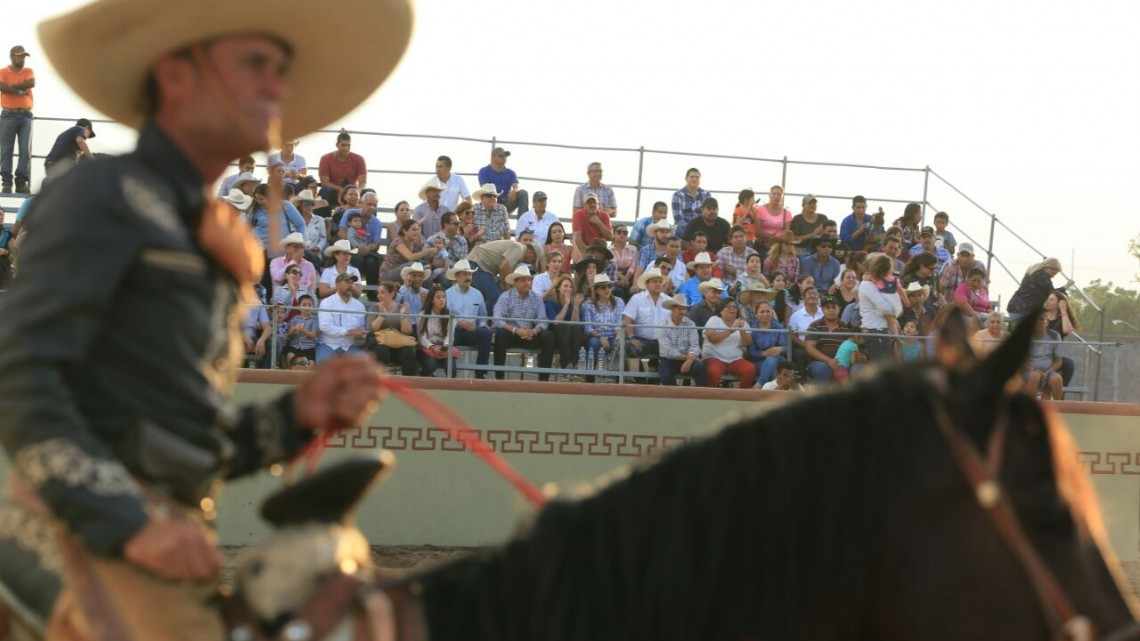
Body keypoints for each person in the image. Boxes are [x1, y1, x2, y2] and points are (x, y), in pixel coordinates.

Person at [0, 4, 409, 630]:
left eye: (281, 69)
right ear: (177, 75)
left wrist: (294, 417)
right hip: (62, 531)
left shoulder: (204, 231)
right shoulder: (101, 193)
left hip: (163, 535)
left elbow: (193, 444)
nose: (278, 85)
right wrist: (131, 524)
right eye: (255, 64)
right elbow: (21, 376)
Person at [492, 266, 555, 380]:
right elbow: (496, 319)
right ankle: (499, 377)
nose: (526, 283)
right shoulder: (505, 297)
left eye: (528, 280)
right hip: (513, 335)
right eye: (522, 280)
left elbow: (543, 320)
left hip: (531, 335)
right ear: (515, 282)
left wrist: (534, 331)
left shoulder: (536, 298)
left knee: (549, 336)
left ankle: (544, 380)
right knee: (501, 334)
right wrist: (516, 330)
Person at [444, 259, 493, 378]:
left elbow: (483, 315)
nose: (468, 277)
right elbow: (444, 317)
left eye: (470, 274)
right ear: (456, 276)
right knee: (448, 336)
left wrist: (482, 324)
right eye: (465, 274)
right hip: (455, 330)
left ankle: (480, 373)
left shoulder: (478, 294)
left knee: (486, 333)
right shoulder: (447, 294)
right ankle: (451, 372)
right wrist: (459, 323)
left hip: (472, 330)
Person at [0, 45, 34, 194]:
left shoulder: (28, 71)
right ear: (12, 56)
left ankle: (21, 182)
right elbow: (1, 86)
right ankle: (6, 183)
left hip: (26, 116)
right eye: (20, 56)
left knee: (25, 151)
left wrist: (11, 87)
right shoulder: (3, 72)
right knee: (6, 150)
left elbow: (30, 83)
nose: (22, 59)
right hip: (8, 115)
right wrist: (20, 90)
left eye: (24, 56)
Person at [701, 298, 757, 388]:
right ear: (721, 310)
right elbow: (712, 338)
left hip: (735, 360)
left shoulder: (742, 323)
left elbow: (747, 343)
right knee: (713, 371)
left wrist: (742, 330)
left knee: (750, 369)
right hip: (714, 358)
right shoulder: (714, 320)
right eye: (728, 307)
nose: (732, 309)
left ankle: (741, 396)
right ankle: (711, 397)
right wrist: (731, 330)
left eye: (734, 307)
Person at [858, 253, 904, 363]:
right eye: (889, 270)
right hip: (875, 332)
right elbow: (886, 307)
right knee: (880, 368)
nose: (891, 273)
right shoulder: (867, 285)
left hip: (882, 332)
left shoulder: (878, 285)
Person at [623, 267, 670, 370]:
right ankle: (641, 378)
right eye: (654, 281)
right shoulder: (637, 298)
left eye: (660, 281)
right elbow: (627, 319)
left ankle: (656, 378)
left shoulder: (669, 301)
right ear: (647, 284)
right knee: (633, 350)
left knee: (672, 354)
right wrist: (631, 338)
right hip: (642, 340)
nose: (658, 284)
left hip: (663, 340)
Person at [368, 280, 418, 376]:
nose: (379, 295)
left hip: (398, 344)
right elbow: (371, 329)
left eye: (382, 292)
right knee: (381, 351)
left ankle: (409, 384)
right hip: (378, 343)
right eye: (378, 293)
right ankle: (379, 381)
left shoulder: (400, 308)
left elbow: (407, 331)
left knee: (408, 352)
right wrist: (382, 315)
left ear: (392, 294)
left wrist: (403, 316)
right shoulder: (374, 308)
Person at [657, 294, 708, 386]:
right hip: (669, 360)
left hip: (688, 358)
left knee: (700, 370)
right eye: (679, 309)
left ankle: (700, 397)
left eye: (684, 309)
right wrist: (690, 358)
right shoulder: (663, 325)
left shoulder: (690, 324)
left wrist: (689, 361)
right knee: (665, 377)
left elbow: (695, 345)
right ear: (672, 309)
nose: (683, 312)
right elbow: (668, 351)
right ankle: (674, 396)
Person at [318, 272, 369, 361]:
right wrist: (348, 332)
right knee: (324, 364)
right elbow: (325, 326)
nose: (350, 285)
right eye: (347, 282)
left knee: (363, 365)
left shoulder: (360, 306)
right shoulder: (326, 302)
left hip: (351, 346)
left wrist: (361, 334)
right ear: (337, 284)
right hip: (328, 345)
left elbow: (363, 328)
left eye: (352, 282)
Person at [583, 273, 625, 373]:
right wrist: (600, 337)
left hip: (614, 336)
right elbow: (588, 328)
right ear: (597, 290)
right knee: (594, 343)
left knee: (620, 343)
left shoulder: (619, 302)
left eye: (609, 286)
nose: (607, 289)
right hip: (596, 337)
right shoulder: (588, 305)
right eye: (603, 287)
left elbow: (619, 322)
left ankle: (617, 378)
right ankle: (590, 375)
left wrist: (619, 336)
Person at [803, 296, 851, 383]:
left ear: (839, 309)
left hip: (839, 363)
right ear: (822, 309)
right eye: (827, 307)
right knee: (821, 368)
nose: (831, 310)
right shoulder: (815, 326)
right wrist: (829, 361)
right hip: (817, 362)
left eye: (834, 307)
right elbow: (809, 348)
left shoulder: (845, 328)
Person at [543, 275, 587, 370]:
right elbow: (556, 322)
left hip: (571, 336)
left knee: (576, 327)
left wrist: (575, 306)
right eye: (565, 286)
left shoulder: (573, 302)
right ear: (558, 288)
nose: (568, 289)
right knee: (564, 326)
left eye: (571, 287)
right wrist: (566, 304)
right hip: (556, 335)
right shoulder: (550, 302)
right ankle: (566, 362)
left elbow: (575, 323)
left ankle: (575, 362)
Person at [1043, 289, 1080, 387]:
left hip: (1054, 356)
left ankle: (1062, 392)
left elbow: (1067, 330)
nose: (1047, 301)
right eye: (1047, 299)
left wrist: (1063, 311)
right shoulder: (1041, 316)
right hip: (1040, 353)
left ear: (1058, 303)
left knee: (1068, 363)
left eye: (1051, 300)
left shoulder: (1062, 319)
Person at [318, 130, 367, 204]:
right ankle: (325, 215)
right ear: (337, 145)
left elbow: (363, 182)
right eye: (343, 145)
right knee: (325, 190)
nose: (346, 148)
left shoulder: (359, 159)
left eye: (348, 145)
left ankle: (368, 215)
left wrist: (357, 191)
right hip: (334, 191)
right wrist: (342, 189)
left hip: (354, 191)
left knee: (370, 192)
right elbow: (325, 182)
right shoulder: (325, 159)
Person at [1024, 313, 1065, 400]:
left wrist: (1046, 373)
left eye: (1041, 319)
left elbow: (1058, 361)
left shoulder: (1054, 336)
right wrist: (1033, 370)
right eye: (1036, 319)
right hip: (1028, 371)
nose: (1038, 321)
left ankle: (1058, 409)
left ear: (1047, 322)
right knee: (1035, 376)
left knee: (1057, 379)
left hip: (1048, 371)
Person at [478, 146, 528, 216]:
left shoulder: (510, 172)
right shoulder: (484, 171)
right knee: (488, 197)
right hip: (492, 201)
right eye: (501, 156)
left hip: (508, 201)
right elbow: (485, 188)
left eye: (505, 156)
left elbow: (515, 185)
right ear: (493, 157)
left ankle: (523, 222)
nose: (504, 158)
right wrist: (494, 197)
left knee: (523, 193)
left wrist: (514, 191)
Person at [746, 299, 786, 387]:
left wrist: (780, 349)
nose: (765, 314)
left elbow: (787, 347)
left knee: (772, 358)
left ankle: (759, 385)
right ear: (756, 315)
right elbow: (751, 353)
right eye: (762, 312)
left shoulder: (779, 327)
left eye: (768, 311)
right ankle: (771, 392)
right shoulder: (752, 329)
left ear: (772, 313)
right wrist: (764, 353)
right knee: (772, 369)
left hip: (779, 359)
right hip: (759, 361)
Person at [418, 286, 455, 378]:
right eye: (438, 297)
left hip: (443, 347)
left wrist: (445, 346)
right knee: (431, 365)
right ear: (431, 300)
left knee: (451, 367)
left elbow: (449, 335)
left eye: (443, 297)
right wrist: (432, 347)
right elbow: (422, 337)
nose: (442, 300)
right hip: (426, 348)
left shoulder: (449, 315)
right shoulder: (423, 315)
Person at [671, 168, 711, 238]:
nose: (694, 179)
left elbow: (709, 214)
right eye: (692, 177)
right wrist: (691, 229)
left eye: (697, 177)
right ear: (686, 179)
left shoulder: (706, 194)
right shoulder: (678, 195)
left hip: (702, 229)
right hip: (684, 229)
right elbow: (677, 217)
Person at [755, 185, 794, 257]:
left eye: (779, 194)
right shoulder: (759, 209)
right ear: (769, 195)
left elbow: (786, 233)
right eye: (774, 193)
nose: (776, 196)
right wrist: (771, 238)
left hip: (778, 246)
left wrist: (775, 240)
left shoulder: (787, 213)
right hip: (762, 245)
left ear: (782, 197)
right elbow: (757, 231)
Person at [282, 294, 319, 369]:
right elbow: (289, 335)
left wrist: (303, 331)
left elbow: (313, 335)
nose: (307, 307)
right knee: (290, 356)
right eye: (304, 305)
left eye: (309, 305)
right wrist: (294, 329)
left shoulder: (314, 320)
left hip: (309, 348)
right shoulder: (294, 319)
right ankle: (291, 373)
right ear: (298, 306)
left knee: (311, 364)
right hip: (295, 346)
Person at [571, 192, 614, 256]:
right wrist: (586, 254)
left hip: (600, 250)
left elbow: (609, 237)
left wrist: (599, 222)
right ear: (584, 205)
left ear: (598, 205)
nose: (592, 205)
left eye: (594, 202)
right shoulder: (577, 215)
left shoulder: (605, 215)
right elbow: (578, 238)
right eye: (589, 202)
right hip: (583, 249)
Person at [242, 301, 273, 368]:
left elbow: (268, 328)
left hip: (253, 339)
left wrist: (262, 340)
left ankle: (265, 374)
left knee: (275, 342)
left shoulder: (257, 303)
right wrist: (243, 335)